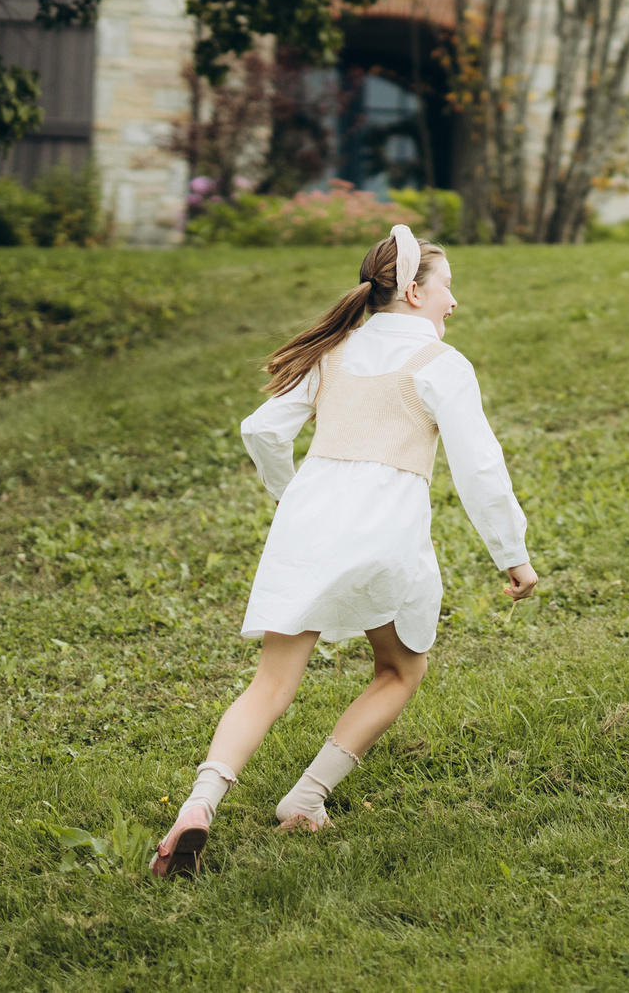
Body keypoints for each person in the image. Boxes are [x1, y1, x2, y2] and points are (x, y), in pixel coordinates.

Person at [149, 226, 537, 878]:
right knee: (398, 671)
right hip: (385, 532)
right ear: (415, 291)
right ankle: (305, 797)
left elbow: (261, 429)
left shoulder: (333, 351)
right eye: (448, 288)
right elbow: (481, 467)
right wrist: (513, 555)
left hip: (308, 526)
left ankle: (198, 803)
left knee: (270, 684)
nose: (454, 302)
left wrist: (292, 495)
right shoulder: (443, 364)